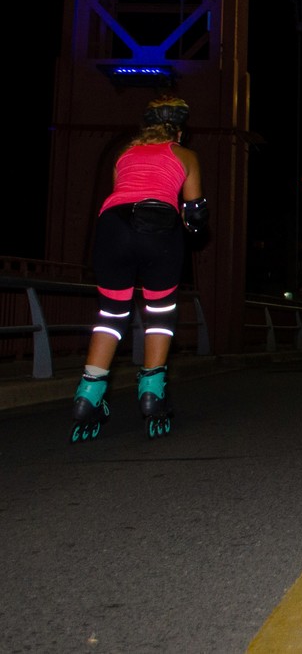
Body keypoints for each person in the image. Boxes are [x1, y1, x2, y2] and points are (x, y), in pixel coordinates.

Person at [69, 95, 205, 442]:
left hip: (112, 228)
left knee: (111, 313)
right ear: (178, 132)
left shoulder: (124, 155)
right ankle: (152, 393)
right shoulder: (185, 155)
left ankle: (89, 395)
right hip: (159, 228)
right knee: (160, 312)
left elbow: (123, 194)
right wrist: (191, 230)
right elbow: (195, 214)